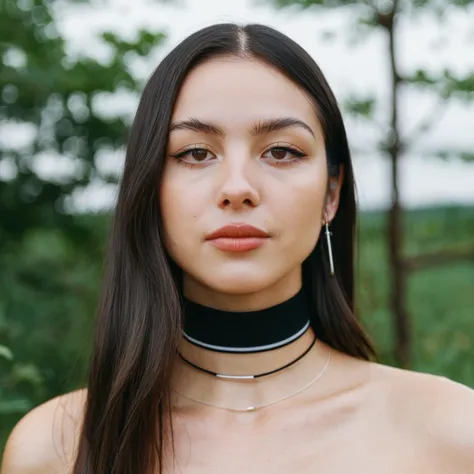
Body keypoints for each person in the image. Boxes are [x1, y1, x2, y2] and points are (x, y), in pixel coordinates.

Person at [2, 22, 474, 474]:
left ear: (332, 194)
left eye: (282, 151)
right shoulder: (57, 447)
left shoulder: (449, 432)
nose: (237, 188)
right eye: (195, 153)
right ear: (149, 189)